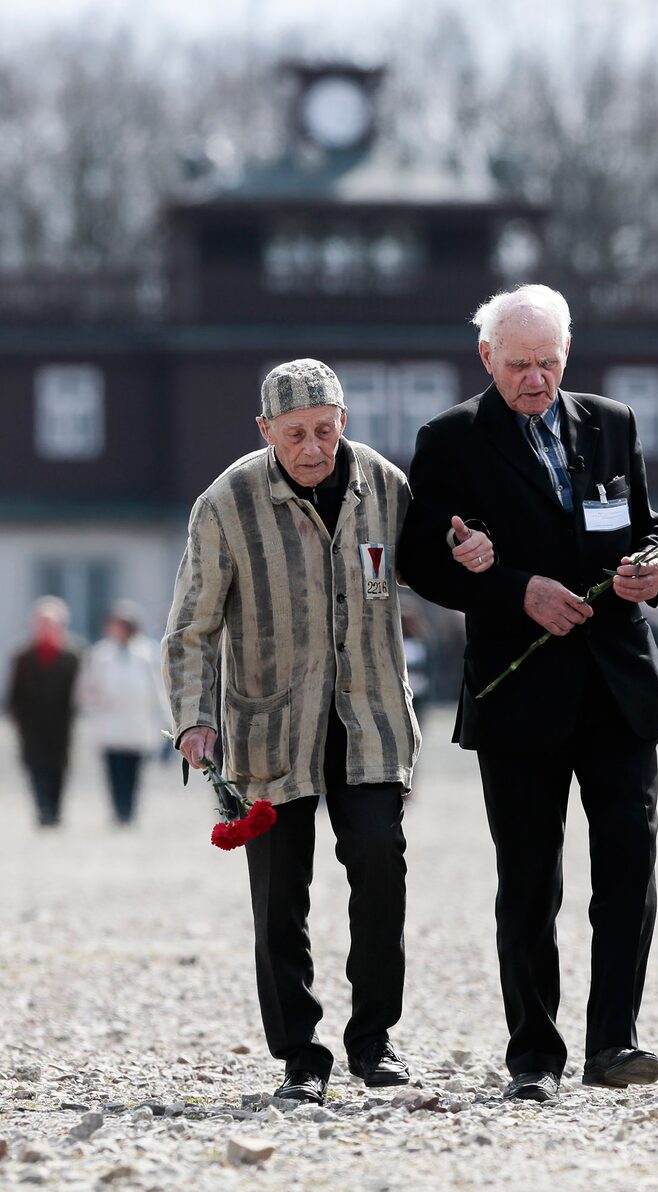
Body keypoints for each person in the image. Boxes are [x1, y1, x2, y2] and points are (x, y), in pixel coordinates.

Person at [161, 358, 492, 1106]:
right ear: (265, 432)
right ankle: (300, 1057)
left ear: (344, 420)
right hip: (270, 729)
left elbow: (427, 568)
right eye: (295, 435)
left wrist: (466, 556)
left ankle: (374, 1041)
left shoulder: (383, 483)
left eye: (324, 429)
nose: (313, 448)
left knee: (381, 865)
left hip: (369, 721)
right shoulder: (226, 504)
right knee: (281, 897)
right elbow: (189, 629)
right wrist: (194, 719)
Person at [398, 285, 658, 1102]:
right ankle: (534, 1054)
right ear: (487, 358)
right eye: (519, 365)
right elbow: (425, 556)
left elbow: (652, 529)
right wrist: (512, 586)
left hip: (619, 686)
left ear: (568, 354)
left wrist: (654, 570)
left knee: (628, 866)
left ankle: (614, 1041)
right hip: (518, 690)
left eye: (549, 363)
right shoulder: (451, 439)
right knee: (530, 879)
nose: (535, 379)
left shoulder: (613, 424)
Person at [79, 601, 167, 824]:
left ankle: (129, 811)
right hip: (109, 722)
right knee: (114, 770)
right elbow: (87, 685)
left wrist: (164, 719)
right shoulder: (101, 653)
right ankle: (118, 811)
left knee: (134, 771)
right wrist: (92, 702)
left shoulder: (146, 652)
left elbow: (157, 687)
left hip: (137, 723)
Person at [6, 596, 81, 827]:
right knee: (35, 767)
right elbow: (14, 692)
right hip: (31, 725)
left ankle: (55, 811)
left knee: (58, 768)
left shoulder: (73, 655)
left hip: (61, 724)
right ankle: (42, 810)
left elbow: (79, 691)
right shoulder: (22, 655)